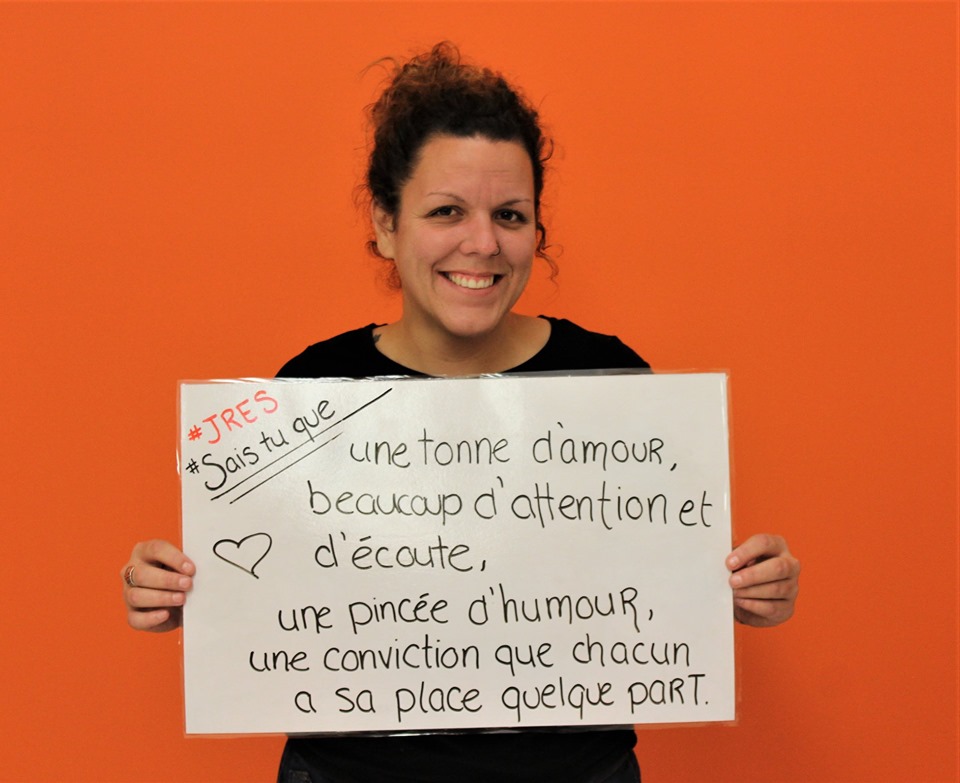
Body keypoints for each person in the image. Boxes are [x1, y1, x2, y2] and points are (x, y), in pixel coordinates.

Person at [121, 43, 801, 783]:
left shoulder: (609, 382)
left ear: (536, 230)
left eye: (510, 215)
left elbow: (664, 576)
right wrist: (184, 592)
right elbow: (260, 586)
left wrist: (746, 587)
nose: (483, 243)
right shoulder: (311, 388)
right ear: (386, 223)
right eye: (447, 211)